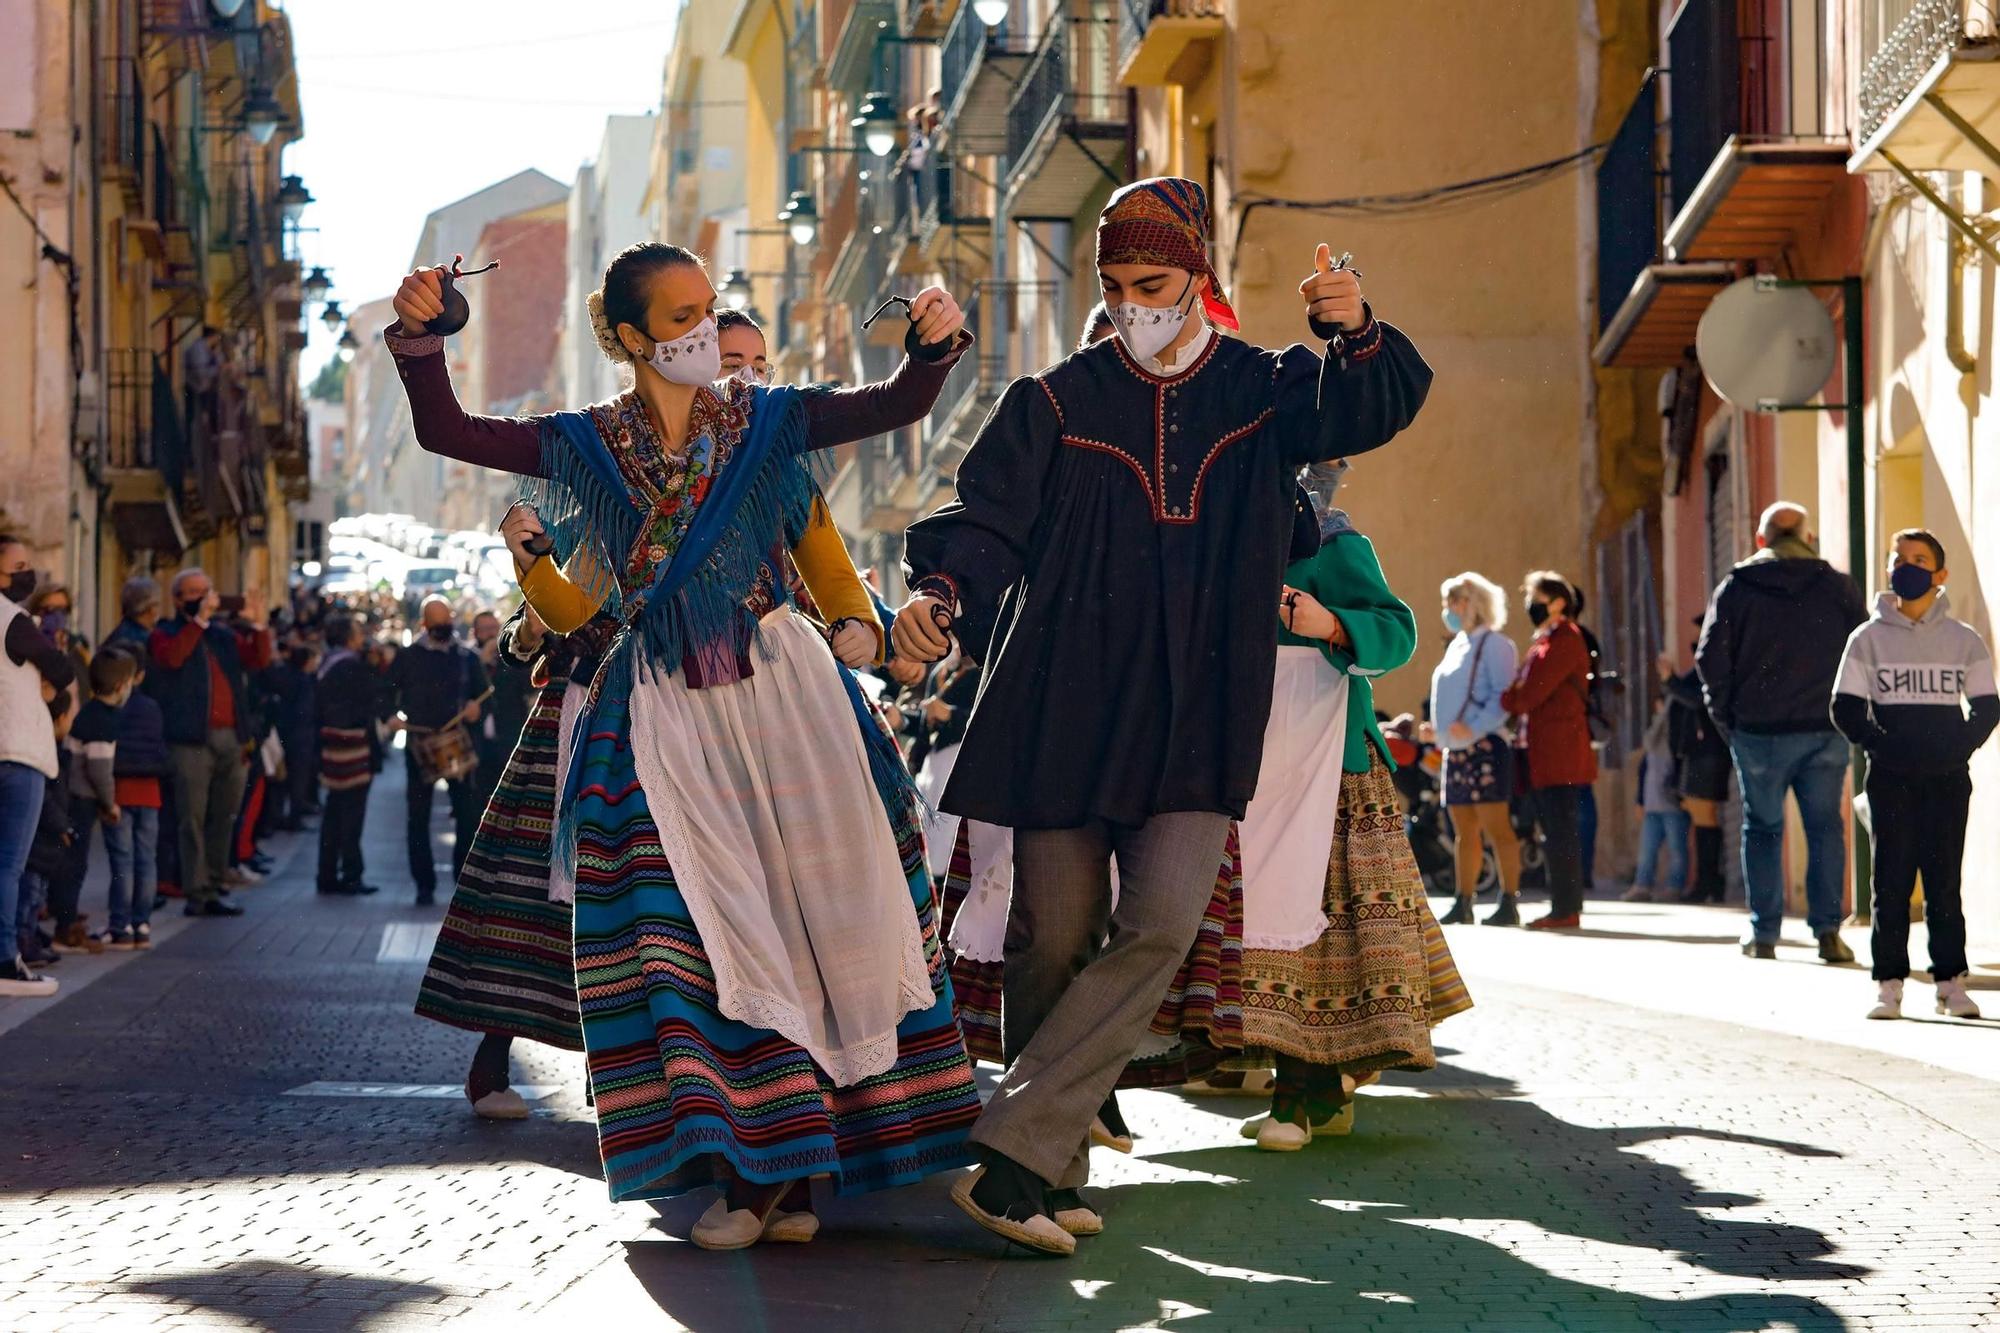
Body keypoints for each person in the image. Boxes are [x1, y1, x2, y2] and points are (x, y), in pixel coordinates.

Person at [387, 239, 981, 1247]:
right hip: (656, 714)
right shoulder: (581, 443)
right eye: (679, 318)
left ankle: (793, 1181)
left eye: (709, 309)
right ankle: (753, 1168)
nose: (706, 332)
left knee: (816, 926)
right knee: (699, 939)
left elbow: (887, 418)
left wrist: (931, 351)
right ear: (627, 337)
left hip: (788, 702)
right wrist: (423, 335)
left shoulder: (773, 423)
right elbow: (448, 429)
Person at [896, 177, 1430, 1253]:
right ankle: (1051, 1169)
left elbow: (1370, 405)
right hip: (1062, 702)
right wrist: (937, 599)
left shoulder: (1264, 388)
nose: (1135, 302)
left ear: (1198, 279)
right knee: (1054, 942)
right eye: (1116, 284)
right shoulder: (1052, 401)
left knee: (1160, 926)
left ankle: (1006, 1153)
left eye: (1154, 282)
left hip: (1199, 708)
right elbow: (985, 524)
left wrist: (1352, 326)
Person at [424, 485, 887, 1121]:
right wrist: (532, 615)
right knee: (543, 897)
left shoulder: (741, 502)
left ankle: (616, 1074)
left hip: (680, 718)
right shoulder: (593, 520)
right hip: (581, 720)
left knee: (652, 895)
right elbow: (520, 640)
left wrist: (869, 625)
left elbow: (805, 590)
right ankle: (497, 1057)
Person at [1232, 457, 1467, 1150]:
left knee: (1323, 930)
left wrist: (1330, 623)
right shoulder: (1232, 539)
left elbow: (1396, 629)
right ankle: (1318, 1092)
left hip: (1334, 766)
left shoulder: (1336, 543)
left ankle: (1295, 1099)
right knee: (1268, 920)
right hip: (1256, 760)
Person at [1831, 529, 1998, 1019]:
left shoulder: (1963, 640)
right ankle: (1889, 984)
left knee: (1944, 881)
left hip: (1948, 779)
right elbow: (1845, 707)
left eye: (1920, 559)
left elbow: (1987, 706)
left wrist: (1956, 747)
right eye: (1899, 558)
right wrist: (1884, 746)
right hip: (1891, 779)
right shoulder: (1867, 638)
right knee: (1891, 880)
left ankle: (1950, 983)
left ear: (1940, 575)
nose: (1907, 566)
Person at [1696, 502, 1866, 961]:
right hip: (1824, 728)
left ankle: (1764, 934)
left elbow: (1710, 660)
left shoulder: (1736, 586)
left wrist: (1726, 719)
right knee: (1826, 828)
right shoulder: (1837, 586)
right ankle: (1828, 932)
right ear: (1808, 538)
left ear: (1760, 539)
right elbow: (1863, 652)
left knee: (1763, 829)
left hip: (1757, 731)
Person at [149, 568, 270, 917]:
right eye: (192, 592)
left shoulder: (222, 635)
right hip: (190, 740)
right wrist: (197, 623)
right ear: (177, 599)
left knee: (224, 816)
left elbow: (257, 661)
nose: (201, 598)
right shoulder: (165, 633)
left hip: (230, 738)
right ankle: (197, 891)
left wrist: (259, 626)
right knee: (192, 819)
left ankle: (217, 884)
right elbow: (172, 658)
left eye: (206, 591)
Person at [1500, 572, 1598, 930]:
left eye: (1538, 596)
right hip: (1545, 753)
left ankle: (1565, 909)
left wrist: (1511, 696)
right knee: (1554, 831)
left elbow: (1527, 694)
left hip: (1561, 754)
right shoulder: (1546, 640)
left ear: (1558, 601)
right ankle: (1563, 906)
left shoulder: (1565, 640)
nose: (1532, 604)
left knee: (1560, 832)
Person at [0, 534, 72, 995]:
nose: (29, 575)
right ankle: (7, 959)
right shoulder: (14, 619)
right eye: (20, 565)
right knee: (10, 863)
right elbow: (61, 669)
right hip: (19, 752)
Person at [1429, 571, 1522, 926]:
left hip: (1484, 745)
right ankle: (1464, 900)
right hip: (1456, 748)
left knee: (1496, 825)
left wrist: (1474, 726)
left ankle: (1508, 900)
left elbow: (1503, 697)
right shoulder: (1458, 643)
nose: (1449, 609)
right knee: (1464, 829)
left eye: (1455, 601)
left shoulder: (1495, 644)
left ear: (1473, 603)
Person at [384, 596, 487, 906]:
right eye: (437, 623)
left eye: (447, 621)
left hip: (457, 743)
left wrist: (474, 710)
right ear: (424, 624)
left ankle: (461, 879)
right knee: (418, 817)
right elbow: (386, 692)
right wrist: (390, 716)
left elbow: (483, 696)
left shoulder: (466, 657)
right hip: (420, 745)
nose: (444, 628)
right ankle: (424, 885)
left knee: (467, 815)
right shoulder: (408, 656)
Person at [60, 651, 140, 946]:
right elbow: (100, 770)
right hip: (82, 797)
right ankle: (66, 927)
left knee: (72, 862)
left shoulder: (89, 712)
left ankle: (65, 918)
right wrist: (110, 803)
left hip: (74, 793)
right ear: (121, 685)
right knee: (75, 864)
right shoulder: (103, 720)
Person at [101, 644, 166, 946]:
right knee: (146, 860)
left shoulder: (113, 707)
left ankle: (120, 924)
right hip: (150, 791)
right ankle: (142, 924)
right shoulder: (153, 707)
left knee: (122, 861)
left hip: (121, 791)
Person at [1663, 625, 1730, 903]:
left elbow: (1695, 699)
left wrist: (1669, 680)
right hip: (1701, 751)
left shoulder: (1715, 667)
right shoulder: (1708, 667)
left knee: (1705, 817)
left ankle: (1708, 881)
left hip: (1708, 751)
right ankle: (1708, 881)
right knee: (1701, 817)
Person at [315, 614, 379, 896]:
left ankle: (327, 874)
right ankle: (351, 874)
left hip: (333, 747)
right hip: (352, 748)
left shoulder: (328, 663)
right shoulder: (350, 666)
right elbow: (366, 703)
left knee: (334, 811)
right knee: (351, 814)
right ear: (348, 637)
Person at [1623, 656, 1691, 903]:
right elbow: (1645, 760)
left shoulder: (1676, 735)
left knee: (1677, 849)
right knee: (1647, 850)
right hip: (1652, 802)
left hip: (1672, 801)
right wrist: (1639, 800)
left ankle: (1675, 887)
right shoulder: (1656, 736)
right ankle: (1642, 885)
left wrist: (1671, 699)